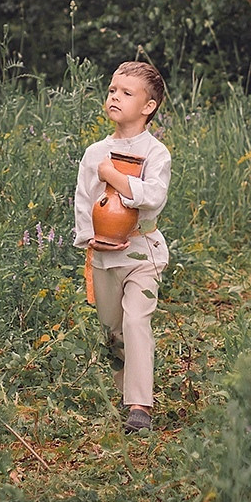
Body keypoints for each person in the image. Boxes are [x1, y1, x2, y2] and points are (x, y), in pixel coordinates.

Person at [72, 61, 172, 433]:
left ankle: (139, 406)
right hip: (104, 253)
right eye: (113, 90)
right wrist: (90, 240)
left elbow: (153, 196)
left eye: (127, 93)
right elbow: (84, 200)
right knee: (112, 329)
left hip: (143, 250)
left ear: (149, 106)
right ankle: (125, 390)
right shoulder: (95, 152)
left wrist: (114, 175)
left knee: (135, 320)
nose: (115, 97)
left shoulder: (156, 153)